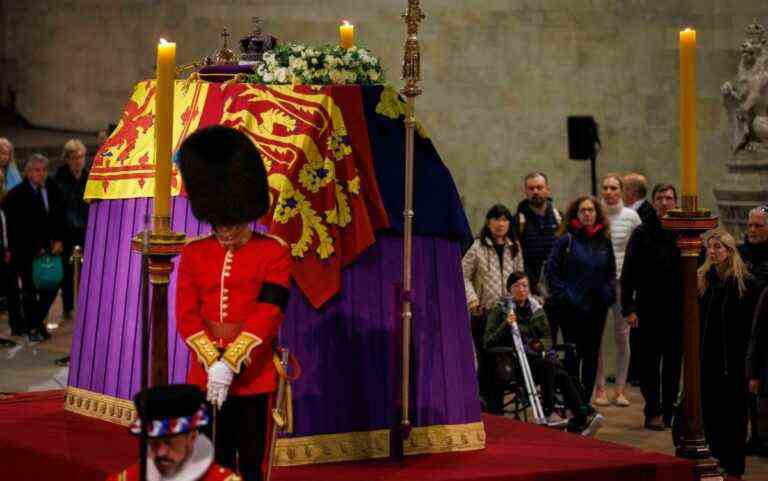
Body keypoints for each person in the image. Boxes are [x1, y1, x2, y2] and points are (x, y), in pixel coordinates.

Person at [176, 126, 291, 481]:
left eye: (232, 224)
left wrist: (232, 363)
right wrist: (212, 362)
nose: (224, 232)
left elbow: (268, 312)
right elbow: (186, 313)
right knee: (212, 461)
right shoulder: (194, 252)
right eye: (217, 224)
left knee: (252, 463)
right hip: (204, 372)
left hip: (254, 376)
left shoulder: (273, 252)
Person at [484, 271, 603, 436]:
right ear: (509, 289)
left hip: (536, 360)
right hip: (513, 363)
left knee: (560, 373)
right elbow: (488, 341)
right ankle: (556, 412)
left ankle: (580, 418)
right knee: (554, 368)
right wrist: (506, 324)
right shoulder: (499, 310)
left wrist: (539, 346)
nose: (521, 290)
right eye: (516, 286)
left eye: (524, 286)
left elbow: (547, 338)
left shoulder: (536, 309)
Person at [621, 183, 682, 430]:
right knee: (648, 365)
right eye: (660, 198)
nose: (665, 202)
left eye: (669, 197)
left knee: (673, 365)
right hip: (647, 309)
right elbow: (628, 275)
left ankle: (669, 410)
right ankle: (653, 410)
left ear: (675, 202)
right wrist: (629, 308)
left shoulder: (685, 233)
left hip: (676, 311)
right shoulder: (641, 233)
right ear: (654, 202)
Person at [698, 230, 759, 478]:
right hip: (708, 359)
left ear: (730, 251)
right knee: (711, 413)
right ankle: (713, 459)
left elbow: (751, 326)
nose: (713, 252)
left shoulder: (745, 283)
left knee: (734, 416)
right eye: (710, 248)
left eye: (718, 247)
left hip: (734, 360)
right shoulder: (703, 279)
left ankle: (733, 466)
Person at [544, 195, 616, 403]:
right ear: (576, 214)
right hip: (572, 309)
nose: (587, 214)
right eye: (583, 210)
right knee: (573, 355)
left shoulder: (604, 240)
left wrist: (608, 293)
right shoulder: (567, 239)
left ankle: (585, 402)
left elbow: (611, 271)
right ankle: (573, 401)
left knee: (592, 356)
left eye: (591, 210)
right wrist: (564, 296)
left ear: (597, 214)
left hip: (597, 308)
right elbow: (552, 271)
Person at [106, 384, 241, 481]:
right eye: (154, 443)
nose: (161, 452)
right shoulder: (127, 478)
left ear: (192, 437)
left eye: (169, 442)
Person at [462, 204, 524, 405]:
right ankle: (487, 402)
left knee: (503, 359)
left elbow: (519, 276)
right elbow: (462, 276)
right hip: (483, 312)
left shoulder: (514, 246)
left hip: (507, 314)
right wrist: (472, 300)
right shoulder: (476, 247)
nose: (500, 224)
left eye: (505, 219)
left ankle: (498, 402)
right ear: (488, 222)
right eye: (496, 219)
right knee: (484, 359)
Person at [3, 153, 65, 342]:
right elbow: (15, 227)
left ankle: (35, 323)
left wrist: (59, 240)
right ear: (28, 172)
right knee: (30, 291)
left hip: (50, 250)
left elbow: (58, 215)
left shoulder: (51, 189)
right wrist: (32, 247)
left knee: (52, 286)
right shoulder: (16, 195)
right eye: (37, 170)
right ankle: (35, 327)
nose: (41, 174)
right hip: (26, 252)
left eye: (44, 170)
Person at [594, 174, 641, 407]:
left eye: (614, 187)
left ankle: (620, 389)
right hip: (600, 284)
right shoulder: (596, 215)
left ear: (621, 191)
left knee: (623, 338)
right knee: (598, 337)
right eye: (605, 187)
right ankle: (600, 388)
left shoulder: (631, 216)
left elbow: (638, 250)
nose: (609, 192)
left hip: (623, 284)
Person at [55, 138, 89, 320]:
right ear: (68, 159)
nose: (79, 161)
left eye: (81, 157)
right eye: (75, 157)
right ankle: (68, 306)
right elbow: (56, 209)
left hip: (84, 229)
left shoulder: (87, 177)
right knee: (67, 271)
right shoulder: (58, 180)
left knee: (86, 270)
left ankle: (83, 305)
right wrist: (57, 237)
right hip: (66, 231)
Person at [514, 172, 562, 297]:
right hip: (529, 289)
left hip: (556, 287)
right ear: (525, 192)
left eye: (539, 187)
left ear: (547, 190)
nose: (535, 192)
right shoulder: (517, 221)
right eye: (531, 188)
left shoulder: (560, 218)